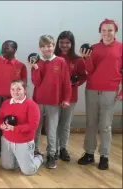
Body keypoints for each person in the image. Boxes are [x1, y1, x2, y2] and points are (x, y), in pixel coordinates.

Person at [78, 18, 122, 170]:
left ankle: (104, 156)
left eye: (110, 30)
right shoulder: (93, 48)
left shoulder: (121, 48)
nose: (107, 33)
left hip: (110, 90)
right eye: (104, 30)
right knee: (91, 123)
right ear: (100, 31)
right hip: (92, 89)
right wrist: (86, 58)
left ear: (115, 31)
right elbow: (89, 71)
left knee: (105, 125)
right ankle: (89, 153)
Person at [31, 35, 72, 169]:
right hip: (38, 102)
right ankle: (34, 150)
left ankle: (51, 155)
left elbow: (66, 82)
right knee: (36, 128)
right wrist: (36, 68)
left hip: (54, 102)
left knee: (52, 130)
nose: (46, 49)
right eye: (43, 46)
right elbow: (36, 82)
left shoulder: (60, 62)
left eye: (49, 46)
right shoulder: (36, 62)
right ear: (40, 48)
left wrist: (66, 99)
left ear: (53, 46)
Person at [0, 40, 27, 158]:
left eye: (6, 48)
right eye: (3, 48)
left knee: (14, 124)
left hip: (14, 100)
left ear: (14, 50)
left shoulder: (21, 66)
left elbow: (24, 86)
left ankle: (14, 150)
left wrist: (22, 103)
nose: (3, 50)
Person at [53, 31, 87, 161]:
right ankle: (54, 149)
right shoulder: (53, 57)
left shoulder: (78, 60)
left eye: (67, 42)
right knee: (54, 123)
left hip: (71, 96)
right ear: (58, 43)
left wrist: (76, 82)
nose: (64, 45)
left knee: (65, 124)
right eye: (62, 42)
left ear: (71, 44)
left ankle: (63, 148)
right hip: (54, 96)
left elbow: (83, 76)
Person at [0, 79, 43, 176]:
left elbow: (33, 125)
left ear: (25, 90)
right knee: (7, 167)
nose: (15, 92)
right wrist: (1, 125)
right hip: (7, 140)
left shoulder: (32, 105)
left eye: (19, 89)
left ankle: (38, 157)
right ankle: (21, 159)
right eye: (12, 89)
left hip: (23, 141)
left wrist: (15, 129)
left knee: (28, 171)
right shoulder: (6, 103)